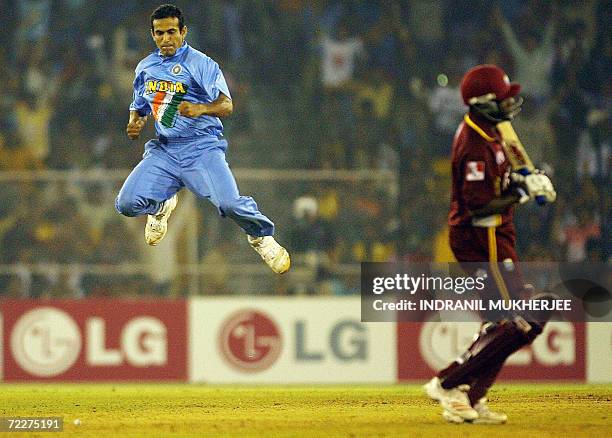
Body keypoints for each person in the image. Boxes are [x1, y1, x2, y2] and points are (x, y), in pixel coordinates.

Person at [423, 64, 557, 424]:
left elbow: (502, 179)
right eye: (502, 98)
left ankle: (472, 394)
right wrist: (522, 192)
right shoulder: (473, 144)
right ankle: (449, 382)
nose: (509, 103)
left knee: (512, 321)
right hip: (481, 239)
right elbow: (478, 207)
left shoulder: (492, 131)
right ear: (482, 102)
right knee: (520, 319)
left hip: (497, 235)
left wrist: (525, 179)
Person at [115, 4, 290, 275]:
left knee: (230, 204)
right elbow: (140, 105)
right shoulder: (146, 67)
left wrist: (201, 108)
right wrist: (135, 122)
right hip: (165, 151)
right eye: (159, 33)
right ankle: (161, 205)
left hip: (201, 148)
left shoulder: (201, 64)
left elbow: (226, 104)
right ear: (152, 35)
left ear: (183, 32)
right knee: (126, 204)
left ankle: (261, 237)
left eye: (172, 32)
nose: (166, 39)